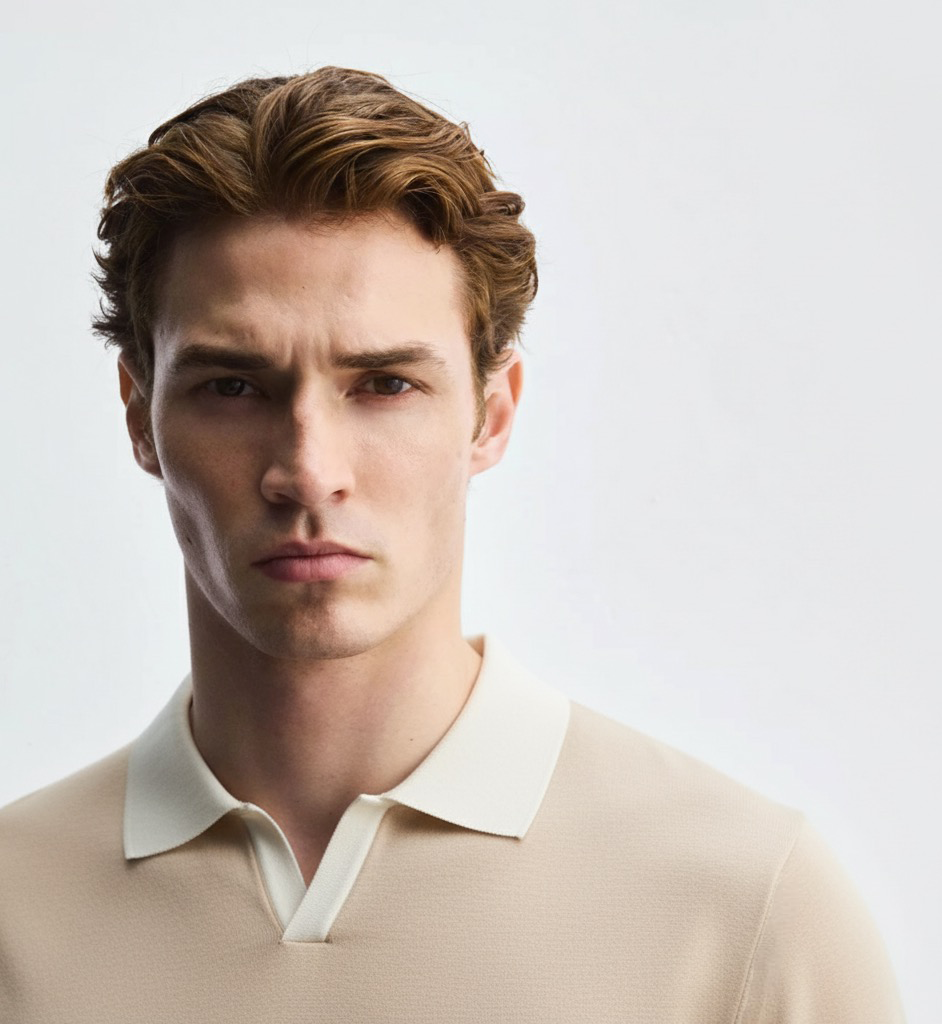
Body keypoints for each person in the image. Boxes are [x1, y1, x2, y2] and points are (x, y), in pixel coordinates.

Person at [0, 66, 904, 1023]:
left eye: (385, 385)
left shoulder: (745, 912)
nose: (308, 471)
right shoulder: (17, 911)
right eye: (233, 387)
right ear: (139, 415)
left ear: (492, 413)